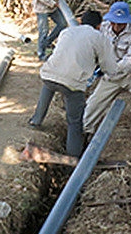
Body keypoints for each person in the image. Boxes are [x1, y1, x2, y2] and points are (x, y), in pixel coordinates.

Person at [28, 11, 118, 156]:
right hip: (73, 83)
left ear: (81, 21)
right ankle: (73, 158)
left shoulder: (67, 31)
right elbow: (110, 67)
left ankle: (36, 120)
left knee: (50, 83)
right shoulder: (100, 38)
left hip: (49, 73)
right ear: (99, 25)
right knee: (74, 122)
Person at [83, 2, 131, 132]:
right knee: (92, 106)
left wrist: (112, 68)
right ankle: (86, 130)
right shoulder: (103, 28)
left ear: (127, 21)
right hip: (110, 75)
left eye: (120, 23)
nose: (116, 26)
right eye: (114, 22)